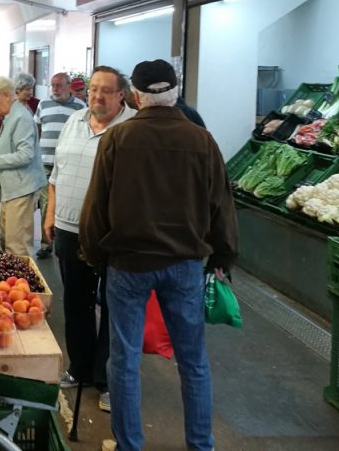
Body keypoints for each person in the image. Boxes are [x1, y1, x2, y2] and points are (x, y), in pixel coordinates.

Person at [79, 59, 238, 451]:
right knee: (193, 361)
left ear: (135, 96)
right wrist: (222, 255)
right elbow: (221, 203)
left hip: (128, 264)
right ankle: (201, 444)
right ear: (175, 92)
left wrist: (96, 255)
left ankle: (130, 444)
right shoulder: (202, 141)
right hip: (184, 265)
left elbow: (96, 207)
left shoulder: (117, 139)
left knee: (125, 360)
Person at [41, 67, 132, 413]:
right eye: (94, 90)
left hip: (113, 235)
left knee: (114, 307)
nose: (98, 96)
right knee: (76, 303)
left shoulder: (132, 128)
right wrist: (50, 215)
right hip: (68, 227)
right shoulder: (74, 121)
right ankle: (79, 368)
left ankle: (107, 379)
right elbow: (56, 174)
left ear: (121, 94)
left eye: (106, 90)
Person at [0, 76, 46, 257]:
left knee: (18, 246)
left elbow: (25, 155)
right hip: (12, 189)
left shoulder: (20, 118)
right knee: (8, 239)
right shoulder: (10, 115)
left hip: (21, 189)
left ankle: (22, 284)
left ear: (7, 95)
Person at [34, 72, 87, 259]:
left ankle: (62, 242)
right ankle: (47, 243)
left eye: (59, 85)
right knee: (46, 203)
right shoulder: (43, 104)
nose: (55, 88)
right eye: (53, 85)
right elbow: (38, 129)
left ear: (68, 86)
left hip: (67, 166)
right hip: (45, 164)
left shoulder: (81, 108)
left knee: (63, 204)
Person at [0, 72, 39, 150]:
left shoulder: (35, 104)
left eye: (32, 88)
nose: (31, 92)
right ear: (17, 90)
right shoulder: (1, 108)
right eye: (27, 89)